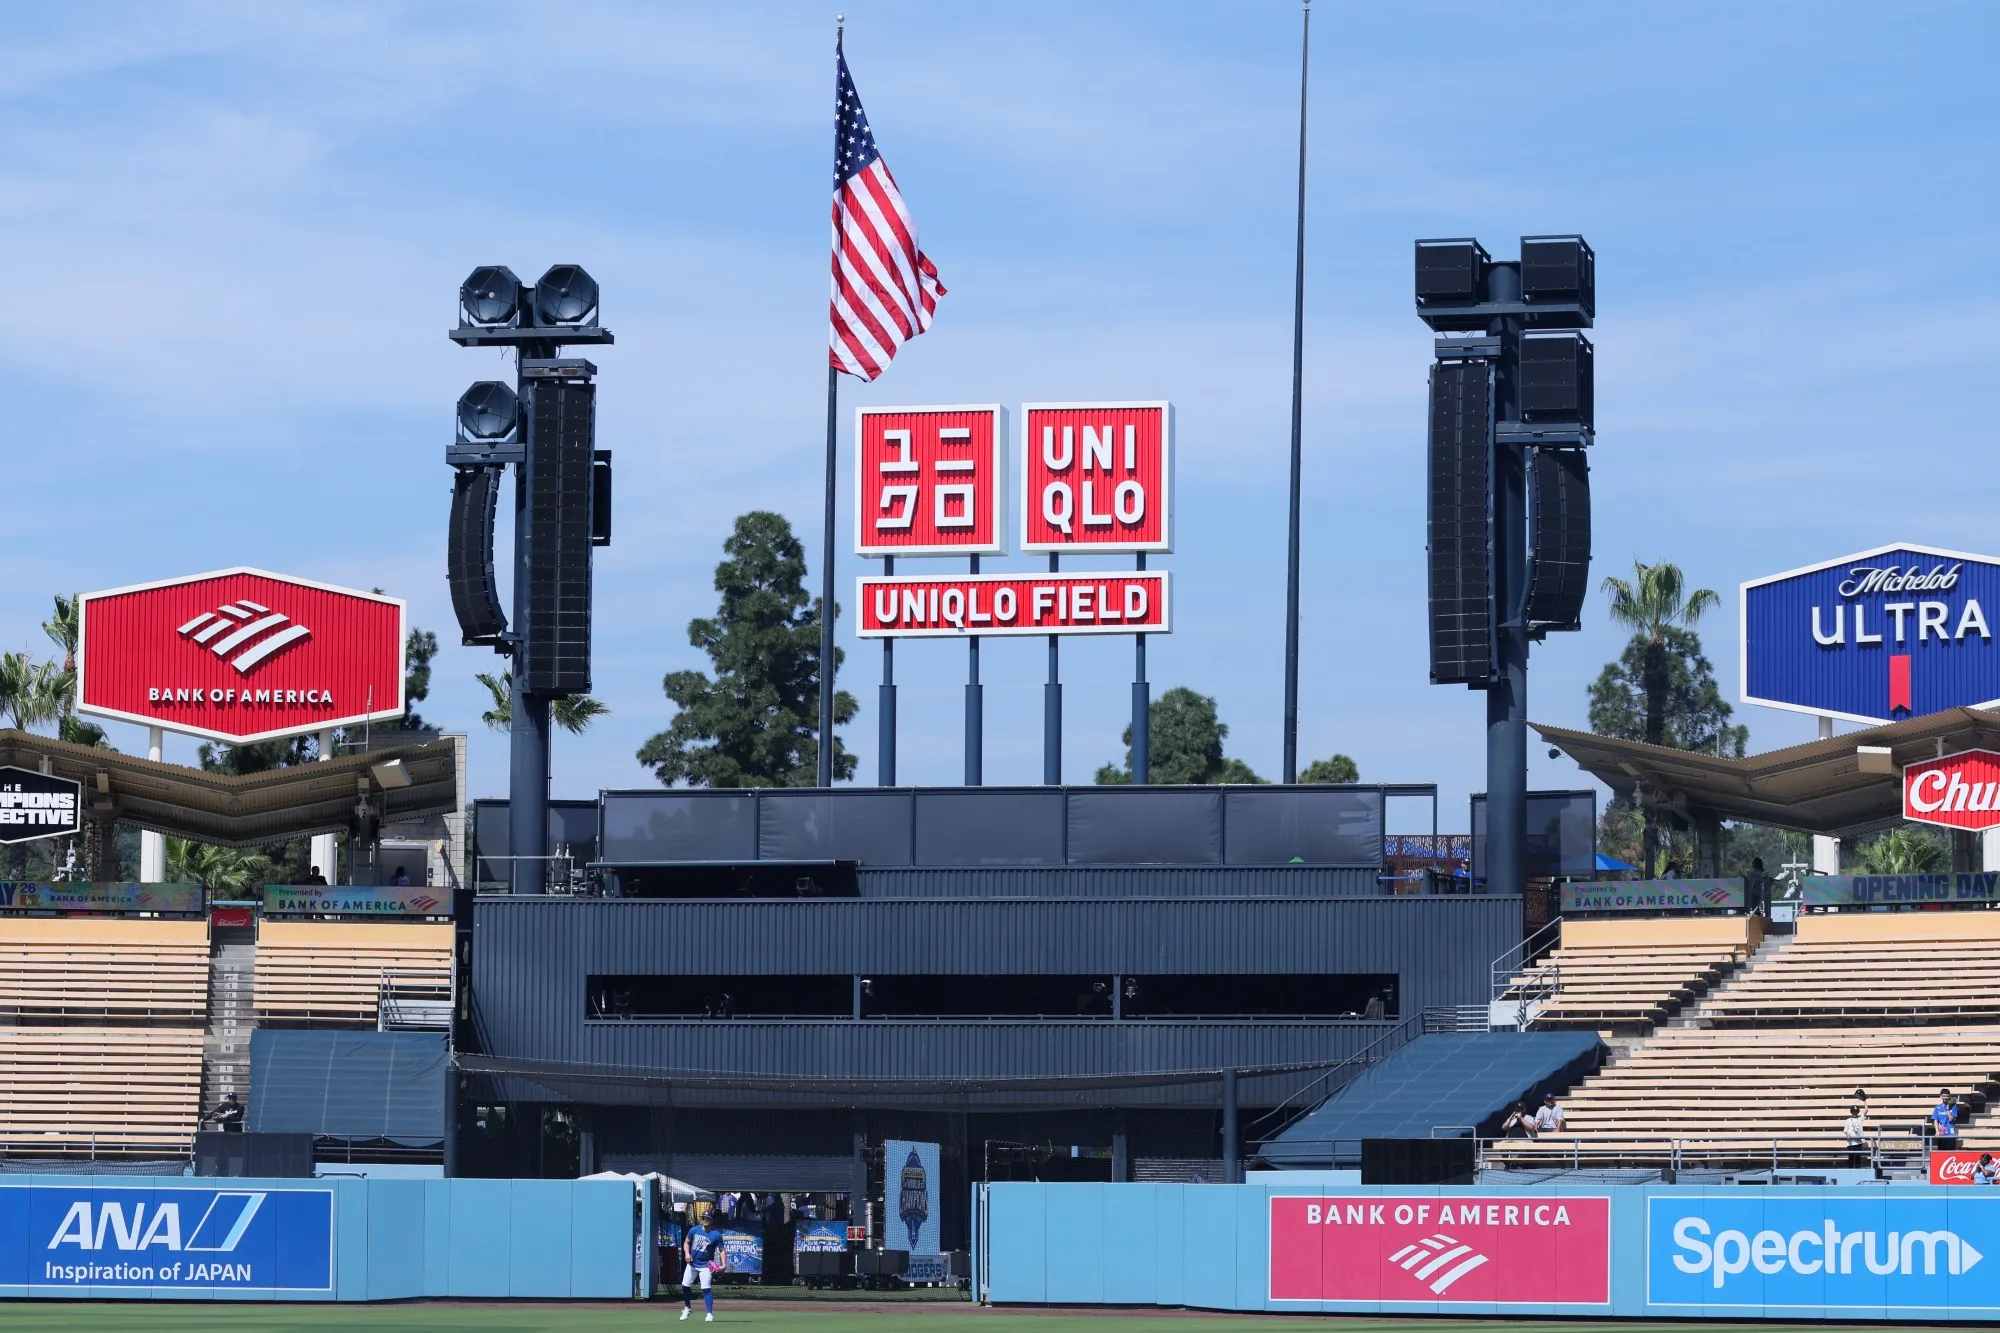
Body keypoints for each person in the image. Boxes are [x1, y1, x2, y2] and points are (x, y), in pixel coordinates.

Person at [682, 1212, 721, 1322]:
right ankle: (688, 1308)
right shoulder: (694, 1230)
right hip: (692, 1264)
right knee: (685, 1286)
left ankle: (709, 1314)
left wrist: (724, 1264)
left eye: (707, 1218)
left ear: (711, 1220)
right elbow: (686, 1242)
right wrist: (687, 1254)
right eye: (703, 1218)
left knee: (706, 1289)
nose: (705, 1220)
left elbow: (722, 1250)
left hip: (705, 1265)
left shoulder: (716, 1234)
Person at [1843, 1103, 1868, 1168]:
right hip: (1851, 1142)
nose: (1855, 1113)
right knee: (1851, 1157)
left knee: (1857, 1157)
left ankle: (1858, 1170)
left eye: (1856, 1111)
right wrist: (1847, 1134)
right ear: (1851, 1112)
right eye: (1853, 1111)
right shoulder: (1848, 1120)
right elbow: (1845, 1130)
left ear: (1858, 1112)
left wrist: (1864, 1101)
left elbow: (1866, 1110)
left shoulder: (1860, 1118)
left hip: (1859, 1141)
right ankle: (1850, 1171)